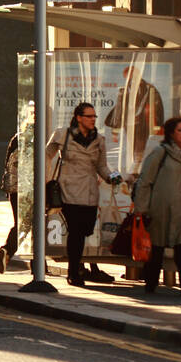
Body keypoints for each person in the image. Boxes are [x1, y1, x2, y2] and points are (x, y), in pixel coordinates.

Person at [133, 116, 181, 296]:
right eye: (180, 130)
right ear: (171, 133)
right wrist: (141, 208)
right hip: (161, 210)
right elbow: (145, 181)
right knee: (157, 249)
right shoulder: (161, 153)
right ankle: (150, 284)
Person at [47, 102, 117, 287]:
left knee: (86, 229)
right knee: (76, 232)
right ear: (79, 118)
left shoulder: (99, 140)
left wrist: (113, 177)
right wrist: (46, 180)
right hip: (68, 190)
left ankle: (77, 268)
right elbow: (46, 155)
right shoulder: (63, 134)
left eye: (94, 116)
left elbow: (102, 166)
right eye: (89, 116)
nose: (93, 119)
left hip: (89, 193)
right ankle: (74, 273)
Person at [0, 133, 20, 274]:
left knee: (22, 224)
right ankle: (8, 250)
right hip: (31, 188)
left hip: (14, 189)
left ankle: (7, 250)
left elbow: (7, 166)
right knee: (31, 225)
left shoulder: (16, 139)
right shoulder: (40, 136)